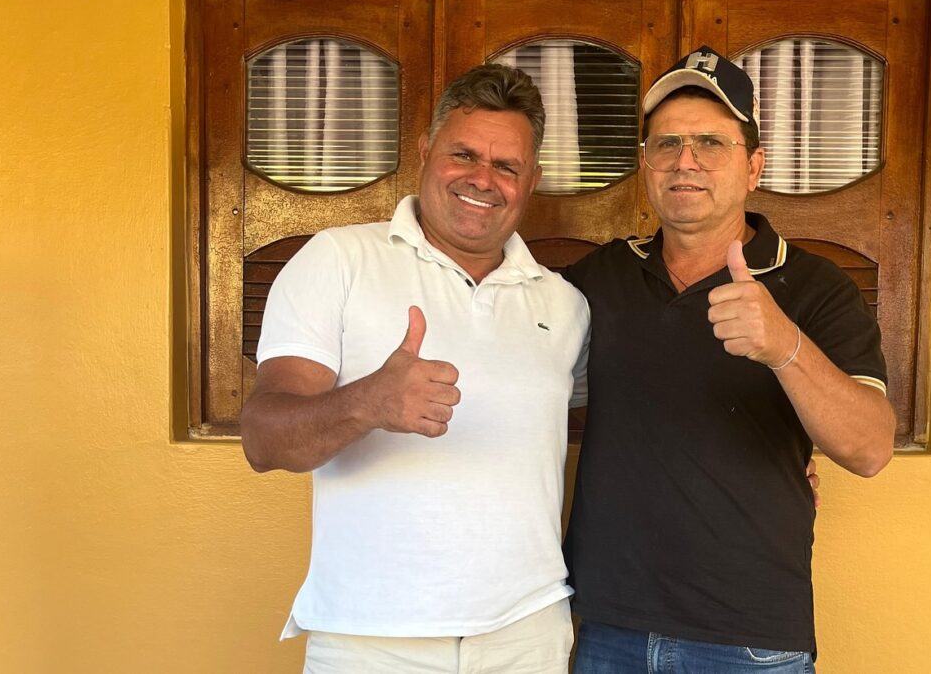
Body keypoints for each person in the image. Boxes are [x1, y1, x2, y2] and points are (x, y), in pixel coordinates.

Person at [240, 64, 590, 674]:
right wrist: (368, 402)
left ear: (532, 180)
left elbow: (632, 417)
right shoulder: (338, 259)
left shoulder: (564, 304)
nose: (483, 179)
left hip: (526, 636)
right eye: (463, 154)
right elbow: (263, 440)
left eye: (507, 166)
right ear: (426, 151)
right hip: (370, 638)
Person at [564, 46, 896, 673]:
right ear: (645, 164)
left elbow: (870, 449)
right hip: (609, 629)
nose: (685, 161)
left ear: (753, 168)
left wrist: (784, 346)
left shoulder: (816, 286)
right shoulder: (599, 277)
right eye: (667, 144)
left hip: (749, 640)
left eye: (712, 144)